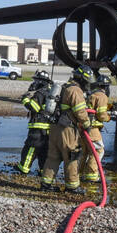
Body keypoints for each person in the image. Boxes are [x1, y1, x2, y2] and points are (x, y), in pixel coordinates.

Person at [40, 64, 94, 194]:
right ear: (82, 79)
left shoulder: (64, 87)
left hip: (55, 127)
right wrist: (87, 125)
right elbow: (80, 111)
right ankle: (72, 186)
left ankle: (46, 184)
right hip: (67, 130)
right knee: (71, 157)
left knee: (53, 157)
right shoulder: (75, 90)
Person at [15, 69, 53, 174]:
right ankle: (43, 171)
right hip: (48, 129)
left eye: (36, 80)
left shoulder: (40, 93)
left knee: (30, 148)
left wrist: (25, 100)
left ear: (41, 81)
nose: (34, 82)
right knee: (44, 152)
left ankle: (23, 168)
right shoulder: (50, 92)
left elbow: (34, 107)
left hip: (38, 128)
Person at [81, 75, 113, 184]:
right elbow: (101, 115)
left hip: (84, 127)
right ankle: (92, 176)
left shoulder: (92, 94)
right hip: (93, 129)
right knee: (98, 150)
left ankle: (80, 173)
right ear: (105, 86)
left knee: (85, 151)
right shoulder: (102, 96)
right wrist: (109, 117)